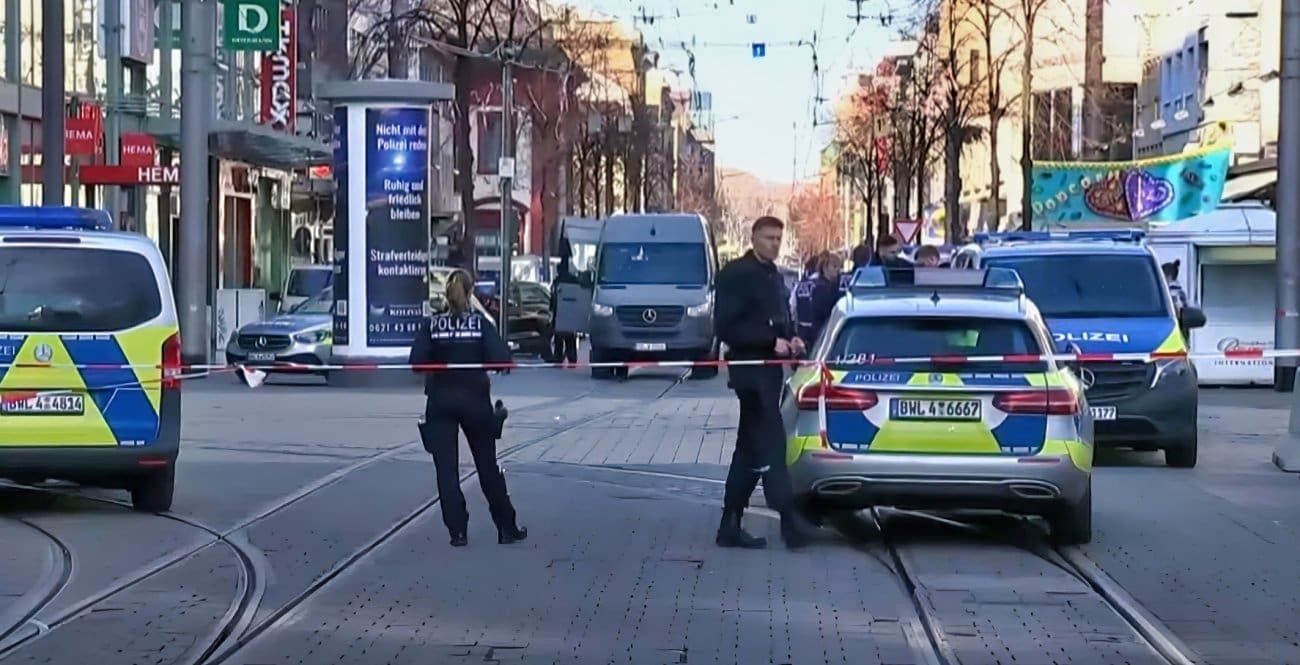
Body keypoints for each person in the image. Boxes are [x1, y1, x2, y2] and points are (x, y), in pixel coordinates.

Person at [714, 216, 819, 550]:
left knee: (750, 446)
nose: (774, 244)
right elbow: (726, 326)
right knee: (771, 441)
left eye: (778, 238)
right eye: (769, 237)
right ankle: (788, 518)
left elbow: (779, 319)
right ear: (754, 237)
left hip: (770, 372)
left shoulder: (774, 275)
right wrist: (768, 341)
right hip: (749, 371)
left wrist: (792, 340)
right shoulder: (736, 274)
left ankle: (730, 522)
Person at [409, 269, 529, 548]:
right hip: (475, 401)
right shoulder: (479, 324)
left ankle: (458, 532)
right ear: (470, 292)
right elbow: (502, 359)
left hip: (440, 401)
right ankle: (506, 527)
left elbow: (416, 361)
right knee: (487, 467)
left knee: (446, 471)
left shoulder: (432, 325)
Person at [794, 252, 843, 346]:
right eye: (834, 266)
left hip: (811, 332)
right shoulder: (821, 288)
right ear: (825, 268)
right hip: (820, 334)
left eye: (839, 267)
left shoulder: (830, 286)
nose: (838, 270)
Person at [550, 246, 580, 366]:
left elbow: (553, 298)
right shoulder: (573, 280)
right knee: (570, 337)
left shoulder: (557, 281)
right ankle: (572, 357)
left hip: (559, 313)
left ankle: (558, 358)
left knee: (559, 337)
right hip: (570, 312)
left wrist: (551, 310)